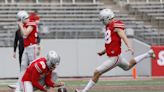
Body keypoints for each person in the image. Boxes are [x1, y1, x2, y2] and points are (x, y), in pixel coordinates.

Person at [75, 8, 156, 92]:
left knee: (97, 72)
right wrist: (103, 51)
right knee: (128, 66)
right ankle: (148, 54)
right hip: (117, 57)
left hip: (114, 58)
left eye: (103, 20)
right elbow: (111, 43)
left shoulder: (115, 25)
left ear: (108, 18)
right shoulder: (109, 26)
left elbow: (123, 36)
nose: (102, 22)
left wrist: (129, 46)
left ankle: (84, 91)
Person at [14, 10, 39, 92]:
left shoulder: (31, 23)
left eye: (20, 19)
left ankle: (35, 84)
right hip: (26, 48)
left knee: (33, 67)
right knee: (23, 67)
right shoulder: (26, 24)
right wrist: (22, 26)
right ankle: (19, 86)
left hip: (32, 47)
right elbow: (23, 37)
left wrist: (21, 25)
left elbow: (25, 34)